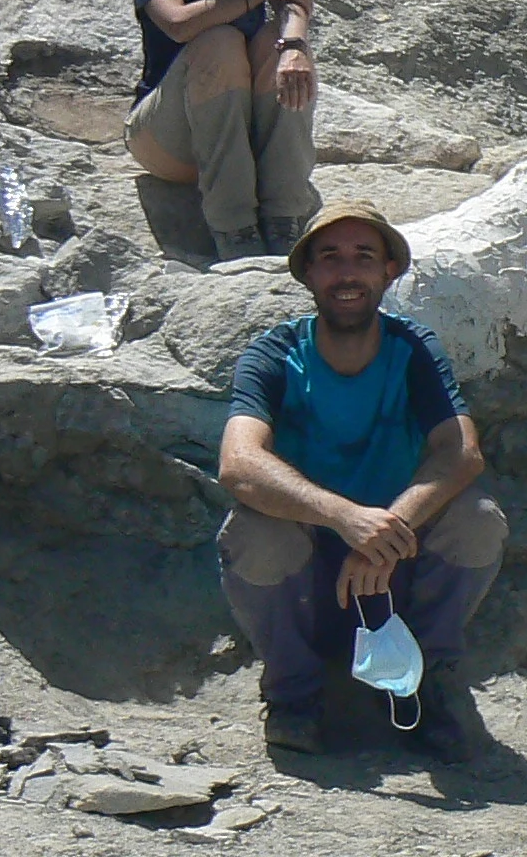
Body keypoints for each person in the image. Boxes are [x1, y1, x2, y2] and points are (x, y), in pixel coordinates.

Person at [217, 202, 508, 760]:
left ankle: (428, 680)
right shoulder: (274, 355)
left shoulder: (413, 350)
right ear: (306, 273)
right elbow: (239, 463)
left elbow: (461, 452)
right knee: (255, 533)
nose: (347, 273)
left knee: (477, 521)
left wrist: (387, 531)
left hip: (392, 567)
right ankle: (294, 695)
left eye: (363, 257)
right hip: (307, 570)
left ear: (388, 272)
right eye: (330, 258)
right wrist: (346, 519)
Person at [126, 0, 320, 261]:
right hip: (167, 139)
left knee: (277, 40)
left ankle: (285, 218)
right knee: (217, 40)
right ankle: (235, 230)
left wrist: (293, 46)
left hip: (241, 133)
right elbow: (176, 23)